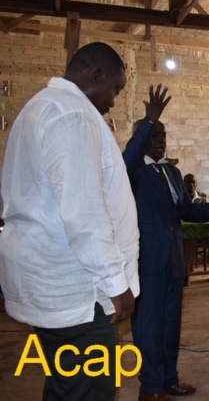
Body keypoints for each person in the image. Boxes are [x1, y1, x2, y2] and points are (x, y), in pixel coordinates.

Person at [0, 42, 138, 401]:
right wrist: (115, 282)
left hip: (49, 281)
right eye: (115, 89)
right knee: (89, 389)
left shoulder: (38, 108)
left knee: (66, 385)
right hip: (80, 292)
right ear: (96, 76)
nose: (114, 100)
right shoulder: (72, 115)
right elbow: (85, 212)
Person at [123, 85, 209, 401]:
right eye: (154, 137)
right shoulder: (132, 172)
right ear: (144, 138)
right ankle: (150, 387)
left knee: (170, 327)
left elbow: (186, 211)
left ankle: (170, 379)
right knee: (147, 328)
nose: (160, 142)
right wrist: (148, 121)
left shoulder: (172, 171)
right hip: (147, 263)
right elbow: (127, 156)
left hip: (173, 262)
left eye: (163, 137)